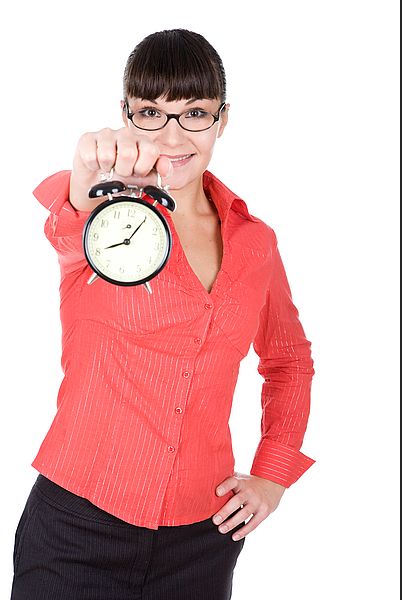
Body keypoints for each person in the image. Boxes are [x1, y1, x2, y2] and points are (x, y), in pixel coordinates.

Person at [10, 28, 315, 600]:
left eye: (195, 112)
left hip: (203, 539)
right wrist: (88, 176)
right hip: (77, 527)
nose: (173, 134)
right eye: (151, 111)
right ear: (126, 115)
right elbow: (67, 230)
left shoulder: (255, 244)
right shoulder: (105, 216)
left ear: (223, 118)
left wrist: (272, 474)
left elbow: (289, 360)